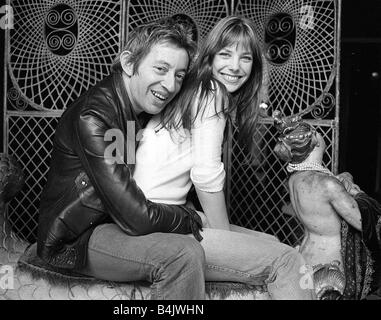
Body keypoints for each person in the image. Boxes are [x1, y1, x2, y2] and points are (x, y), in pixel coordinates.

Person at [133, 16, 314, 299]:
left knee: (271, 240)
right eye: (225, 54)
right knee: (290, 261)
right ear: (210, 57)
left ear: (255, 65)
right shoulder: (211, 92)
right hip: (154, 225)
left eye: (245, 58)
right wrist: (227, 239)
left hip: (157, 215)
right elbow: (205, 175)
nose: (234, 66)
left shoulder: (197, 88)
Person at [36, 19, 207, 300]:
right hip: (76, 238)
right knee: (182, 255)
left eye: (179, 75)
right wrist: (186, 216)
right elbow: (137, 217)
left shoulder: (137, 107)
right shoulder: (94, 116)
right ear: (128, 63)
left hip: (110, 223)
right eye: (161, 69)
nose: (170, 84)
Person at [272, 110, 381, 299]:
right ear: (315, 140)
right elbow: (364, 222)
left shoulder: (295, 178)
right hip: (329, 270)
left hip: (304, 258)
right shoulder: (327, 184)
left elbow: (321, 201)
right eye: (316, 131)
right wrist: (359, 194)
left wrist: (343, 181)